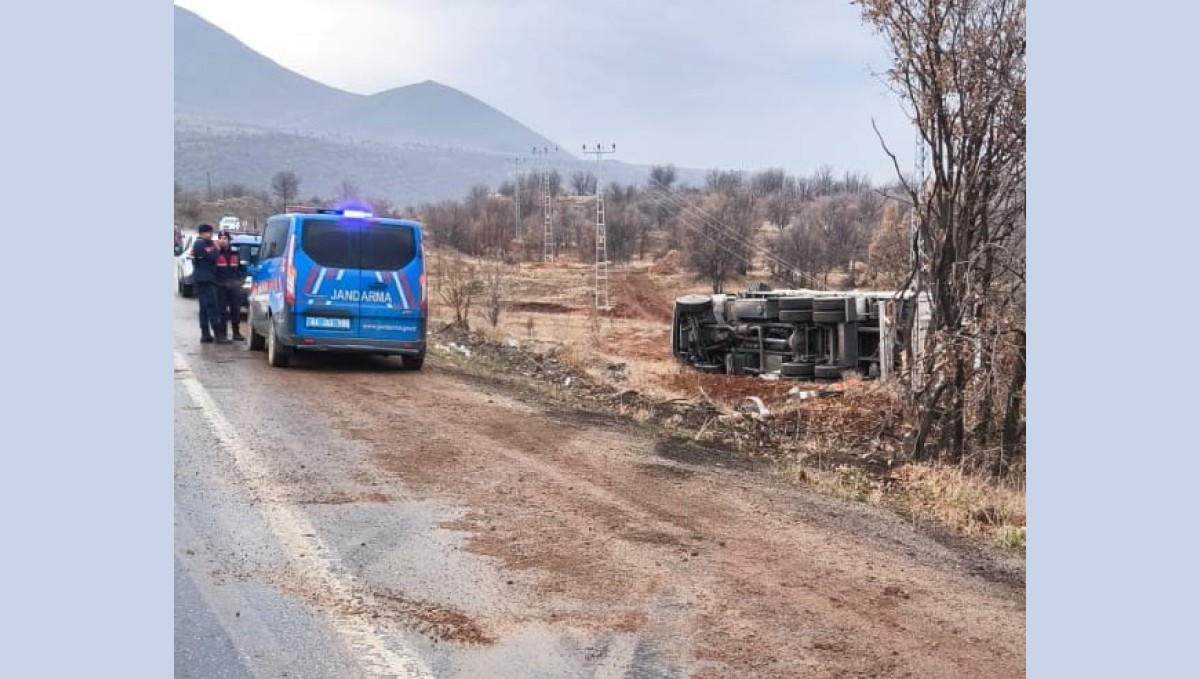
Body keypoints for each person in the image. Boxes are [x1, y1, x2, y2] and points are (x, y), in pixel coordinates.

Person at [190, 224, 225, 343]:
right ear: (203, 233)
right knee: (211, 307)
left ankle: (206, 334)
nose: (210, 235)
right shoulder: (200, 243)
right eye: (209, 233)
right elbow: (212, 256)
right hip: (204, 279)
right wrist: (217, 248)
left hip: (206, 278)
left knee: (205, 307)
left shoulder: (205, 243)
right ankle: (216, 334)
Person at [214, 231, 245, 341]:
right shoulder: (215, 253)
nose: (223, 240)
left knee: (235, 310)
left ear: (229, 240)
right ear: (218, 240)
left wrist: (240, 281)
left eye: (225, 238)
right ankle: (222, 334)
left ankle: (236, 332)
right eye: (221, 238)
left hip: (234, 286)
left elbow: (241, 269)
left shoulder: (235, 253)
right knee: (222, 311)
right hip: (220, 286)